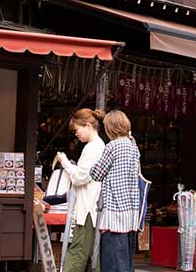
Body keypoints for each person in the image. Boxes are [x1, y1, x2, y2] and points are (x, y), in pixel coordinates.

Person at [88, 109, 141, 272]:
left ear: (110, 128)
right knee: (126, 260)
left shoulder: (112, 147)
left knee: (112, 261)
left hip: (114, 213)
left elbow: (97, 174)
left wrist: (90, 166)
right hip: (131, 213)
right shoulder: (133, 147)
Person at [56, 108, 107, 272]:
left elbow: (80, 177)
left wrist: (65, 162)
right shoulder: (98, 146)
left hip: (88, 208)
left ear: (88, 125)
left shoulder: (92, 148)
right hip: (92, 207)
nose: (76, 134)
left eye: (77, 130)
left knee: (78, 253)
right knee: (91, 255)